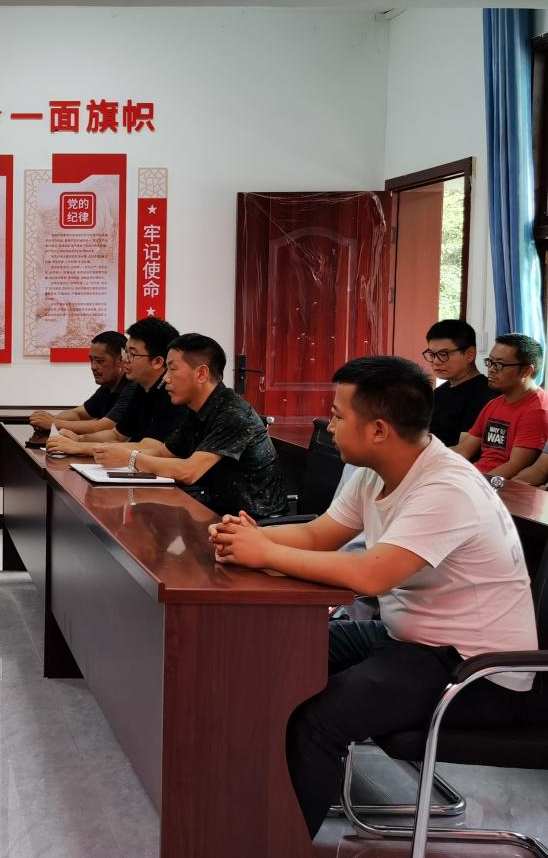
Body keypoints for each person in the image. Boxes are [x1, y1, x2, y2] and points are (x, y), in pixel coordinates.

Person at [208, 356, 545, 840]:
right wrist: (248, 537)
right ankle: (241, 806)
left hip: (475, 671)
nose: (330, 426)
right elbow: (321, 535)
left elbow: (369, 576)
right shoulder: (376, 470)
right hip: (407, 639)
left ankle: (282, 843)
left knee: (317, 720)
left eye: (338, 416)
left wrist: (264, 551)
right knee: (267, 654)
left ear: (379, 430)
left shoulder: (447, 487)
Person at [127, 333, 286, 519]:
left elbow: (189, 472)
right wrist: (108, 453)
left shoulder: (233, 414)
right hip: (213, 510)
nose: (165, 378)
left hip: (252, 522)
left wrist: (132, 458)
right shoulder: (198, 409)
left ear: (201, 374)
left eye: (172, 369)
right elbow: (163, 453)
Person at [46, 317, 186, 458]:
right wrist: (79, 439)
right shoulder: (140, 388)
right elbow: (116, 435)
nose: (124, 359)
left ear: (157, 362)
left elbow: (150, 447)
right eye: (126, 352)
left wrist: (79, 447)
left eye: (132, 354)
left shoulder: (173, 394)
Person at [451, 333, 548, 479]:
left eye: (499, 364)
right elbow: (464, 450)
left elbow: (514, 466)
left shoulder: (537, 410)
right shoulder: (494, 404)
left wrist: (475, 485)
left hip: (495, 485)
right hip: (475, 476)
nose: (491, 369)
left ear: (527, 371)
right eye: (490, 362)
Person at [28, 331, 137, 437]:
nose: (93, 367)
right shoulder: (107, 387)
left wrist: (53, 423)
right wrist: (51, 420)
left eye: (100, 361)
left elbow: (103, 427)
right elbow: (78, 414)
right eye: (91, 360)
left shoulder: (133, 388)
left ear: (121, 360)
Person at [423, 319, 496, 447]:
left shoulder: (484, 395)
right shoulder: (438, 393)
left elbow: (464, 450)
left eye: (443, 354)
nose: (435, 361)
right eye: (432, 354)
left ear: (469, 355)